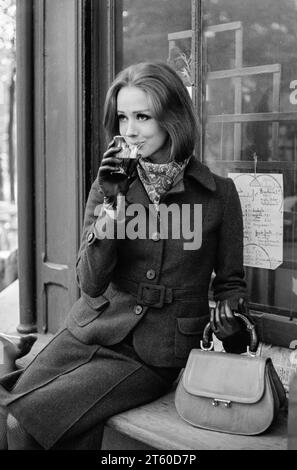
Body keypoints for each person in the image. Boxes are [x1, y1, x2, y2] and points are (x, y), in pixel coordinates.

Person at [0, 61, 249, 450]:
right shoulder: (111, 182)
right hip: (89, 331)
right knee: (10, 418)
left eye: (143, 116)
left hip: (153, 353)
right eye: (122, 117)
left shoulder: (218, 195)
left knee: (26, 423)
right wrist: (113, 204)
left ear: (173, 119)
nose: (129, 130)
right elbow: (91, 282)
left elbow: (231, 283)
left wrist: (233, 322)